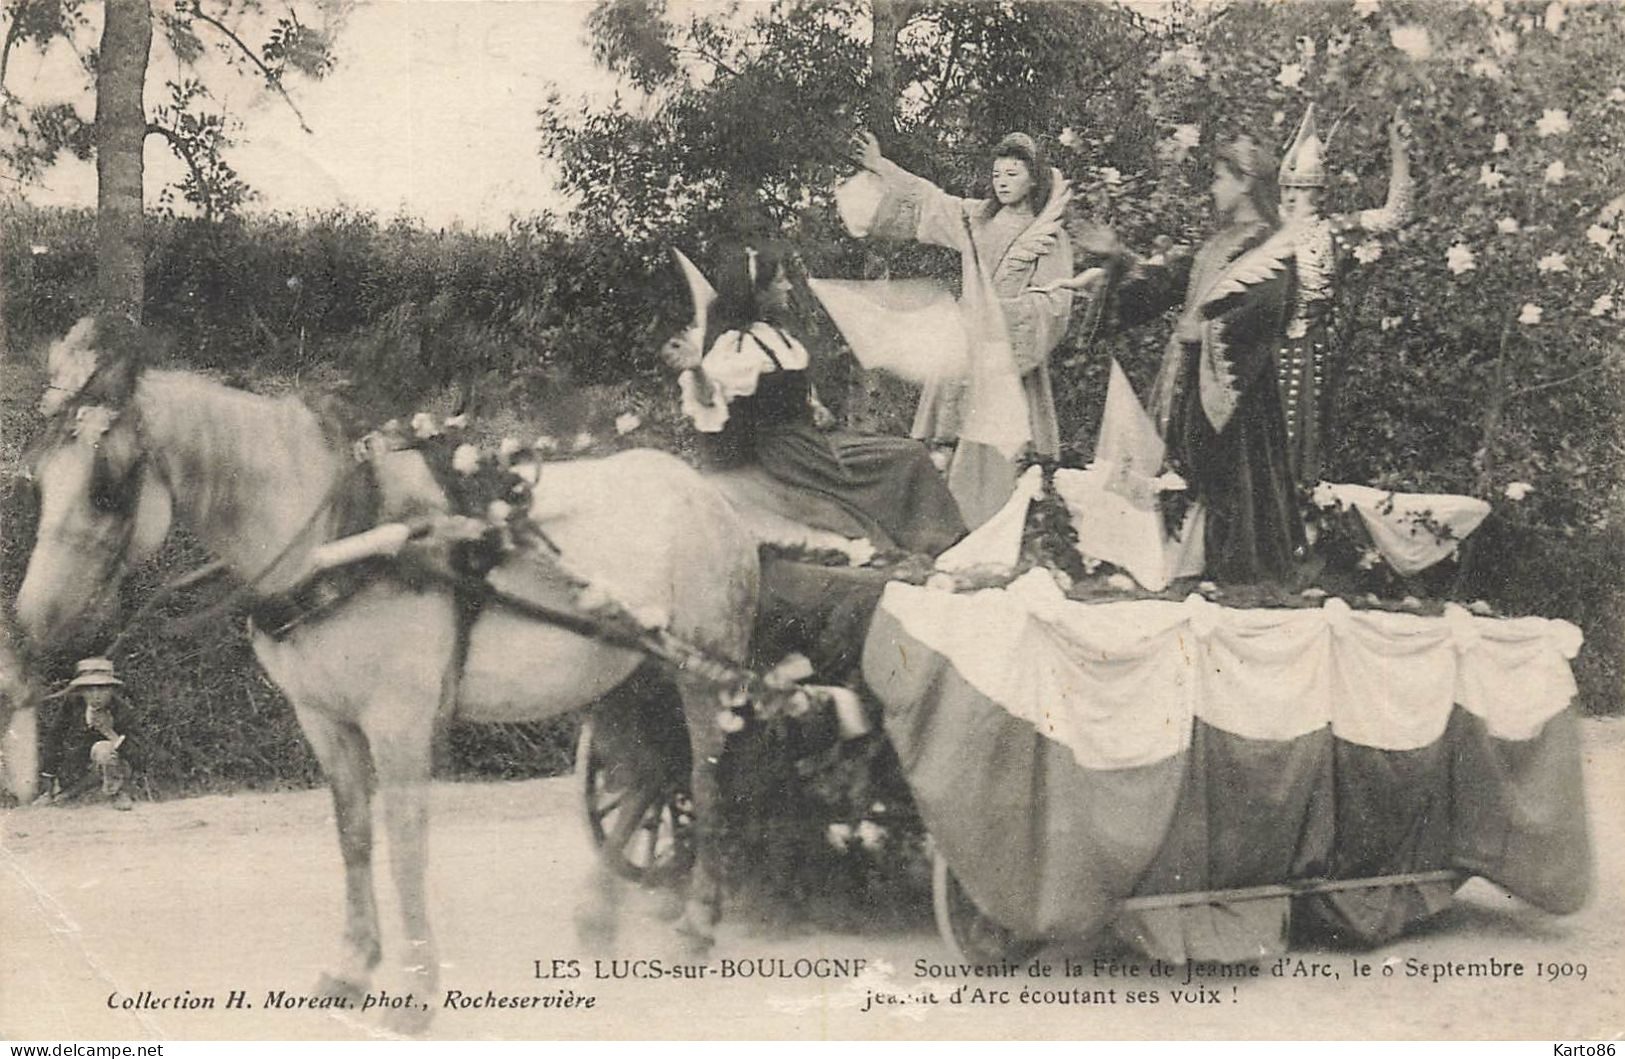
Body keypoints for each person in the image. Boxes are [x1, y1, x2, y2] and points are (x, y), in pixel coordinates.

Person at [1081, 136, 1304, 584]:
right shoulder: (1216, 244)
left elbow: (1267, 308)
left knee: (1235, 474)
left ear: (1245, 183)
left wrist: (1206, 331)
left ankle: (1241, 574)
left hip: (1239, 392)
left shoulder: (1271, 247)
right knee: (1197, 465)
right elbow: (1166, 284)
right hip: (1197, 380)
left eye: (1220, 179)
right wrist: (1118, 258)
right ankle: (1193, 566)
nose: (1213, 189)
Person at [666, 242, 966, 557]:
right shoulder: (736, 346)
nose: (788, 287)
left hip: (811, 440)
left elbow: (789, 389)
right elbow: (710, 399)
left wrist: (814, 406)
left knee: (907, 454)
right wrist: (697, 368)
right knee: (906, 457)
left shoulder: (776, 336)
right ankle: (934, 545)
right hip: (787, 454)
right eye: (780, 280)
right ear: (759, 293)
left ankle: (942, 543)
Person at [844, 130, 1075, 526]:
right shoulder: (979, 219)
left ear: (1034, 180)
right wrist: (881, 167)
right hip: (968, 349)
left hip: (1010, 355)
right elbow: (929, 202)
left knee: (1005, 444)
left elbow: (1055, 301)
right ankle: (955, 525)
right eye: (997, 173)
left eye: (1013, 174)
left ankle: (1008, 526)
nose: (1002, 181)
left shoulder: (1050, 235)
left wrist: (1002, 314)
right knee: (955, 441)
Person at [1274, 105, 1414, 484]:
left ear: (1319, 195)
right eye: (1287, 189)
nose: (1291, 198)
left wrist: (1398, 153)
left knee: (1300, 440)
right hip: (1261, 347)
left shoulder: (1336, 230)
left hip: (1308, 347)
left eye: (1301, 191)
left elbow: (1394, 214)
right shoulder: (1263, 232)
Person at [37, 658, 137, 810]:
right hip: (80, 768)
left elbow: (140, 754)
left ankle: (118, 793)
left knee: (103, 749)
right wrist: (48, 778)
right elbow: (54, 738)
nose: (96, 695)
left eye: (102, 689)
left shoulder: (122, 711)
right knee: (61, 800)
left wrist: (109, 733)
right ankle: (62, 794)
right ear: (81, 691)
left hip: (116, 769)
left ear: (112, 690)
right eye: (89, 689)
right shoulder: (72, 706)